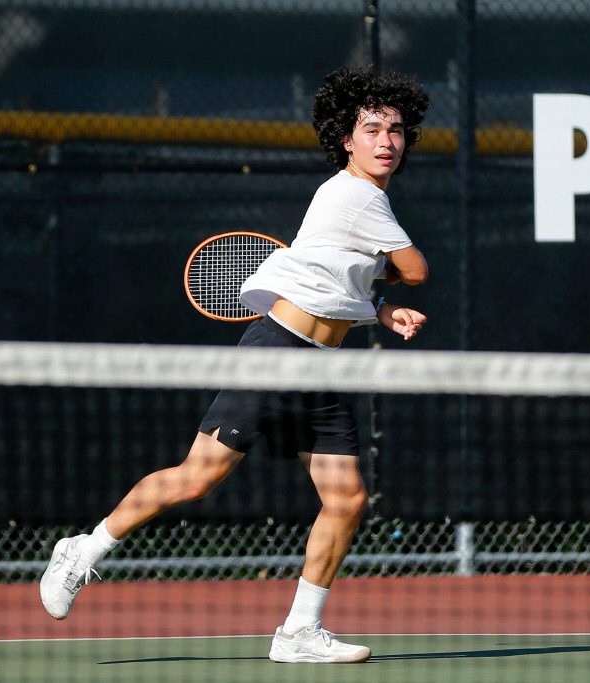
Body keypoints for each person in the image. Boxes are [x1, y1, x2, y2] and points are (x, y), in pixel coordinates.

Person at [39, 65, 430, 664]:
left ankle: (299, 631)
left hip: (322, 365)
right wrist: (396, 282)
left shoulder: (364, 203)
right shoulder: (354, 195)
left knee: (346, 499)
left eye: (396, 130)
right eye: (372, 130)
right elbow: (417, 269)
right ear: (346, 140)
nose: (386, 141)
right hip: (278, 353)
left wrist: (379, 309)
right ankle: (83, 550)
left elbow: (331, 283)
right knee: (197, 478)